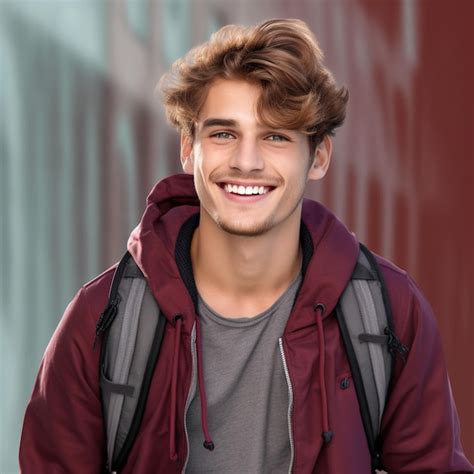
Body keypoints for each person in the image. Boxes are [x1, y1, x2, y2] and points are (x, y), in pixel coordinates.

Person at [19, 18, 473, 474]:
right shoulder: (102, 319)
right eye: (223, 134)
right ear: (187, 148)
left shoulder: (391, 311)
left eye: (276, 136)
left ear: (318, 157)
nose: (246, 161)